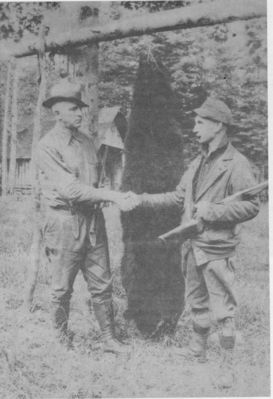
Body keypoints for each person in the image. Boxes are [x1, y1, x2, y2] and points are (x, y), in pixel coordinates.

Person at [132, 96, 259, 388]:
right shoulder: (197, 162)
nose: (194, 128)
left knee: (223, 310)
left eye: (200, 122)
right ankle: (196, 350)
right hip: (192, 245)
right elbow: (178, 197)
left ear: (219, 125)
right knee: (197, 301)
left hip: (217, 249)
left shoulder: (236, 163)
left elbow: (251, 207)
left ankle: (227, 367)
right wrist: (140, 199)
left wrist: (212, 211)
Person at [36, 79, 135, 353]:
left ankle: (109, 339)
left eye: (81, 107)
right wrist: (113, 197)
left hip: (93, 222)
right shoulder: (47, 146)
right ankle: (60, 340)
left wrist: (115, 194)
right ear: (57, 113)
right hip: (64, 223)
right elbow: (70, 190)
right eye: (73, 108)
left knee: (102, 284)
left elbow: (95, 184)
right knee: (61, 288)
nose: (80, 113)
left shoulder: (88, 142)